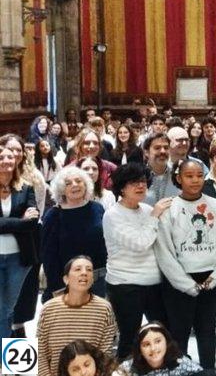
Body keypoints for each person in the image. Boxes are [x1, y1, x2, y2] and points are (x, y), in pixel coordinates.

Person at [154, 159, 216, 373]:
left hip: (211, 280)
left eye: (199, 175)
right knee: (179, 332)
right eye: (189, 176)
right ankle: (181, 371)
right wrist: (185, 284)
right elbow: (164, 251)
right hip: (179, 282)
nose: (195, 180)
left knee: (207, 331)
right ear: (179, 178)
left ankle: (207, 370)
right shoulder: (169, 208)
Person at [104, 163, 171, 359]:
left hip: (154, 281)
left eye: (143, 181)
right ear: (122, 188)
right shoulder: (112, 215)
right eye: (134, 182)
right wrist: (156, 215)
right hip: (125, 284)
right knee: (130, 336)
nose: (141, 186)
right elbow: (140, 243)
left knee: (162, 332)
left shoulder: (147, 209)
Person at [37, 256, 116, 376]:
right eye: (78, 269)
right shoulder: (49, 309)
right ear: (66, 279)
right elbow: (40, 351)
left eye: (89, 270)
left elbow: (105, 353)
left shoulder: (104, 309)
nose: (84, 273)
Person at [42, 166, 107, 299]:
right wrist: (57, 287)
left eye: (78, 181)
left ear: (86, 184)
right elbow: (48, 256)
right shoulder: (53, 216)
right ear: (62, 190)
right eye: (68, 183)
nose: (75, 185)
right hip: (68, 280)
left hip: (100, 277)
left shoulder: (97, 208)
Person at [0, 146, 39, 338]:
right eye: (1, 157)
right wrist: (19, 222)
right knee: (1, 308)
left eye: (10, 156)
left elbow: (32, 223)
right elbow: (24, 223)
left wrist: (20, 223)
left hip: (19, 258)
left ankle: (6, 358)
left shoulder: (25, 188)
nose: (7, 159)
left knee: (9, 308)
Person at [113, 322, 205, 376]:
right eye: (146, 345)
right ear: (139, 349)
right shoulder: (127, 369)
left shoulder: (181, 363)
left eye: (158, 341)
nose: (153, 348)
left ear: (167, 342)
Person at [143, 134, 180, 206]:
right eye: (157, 148)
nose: (163, 151)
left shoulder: (178, 175)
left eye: (166, 148)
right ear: (146, 152)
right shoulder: (137, 176)